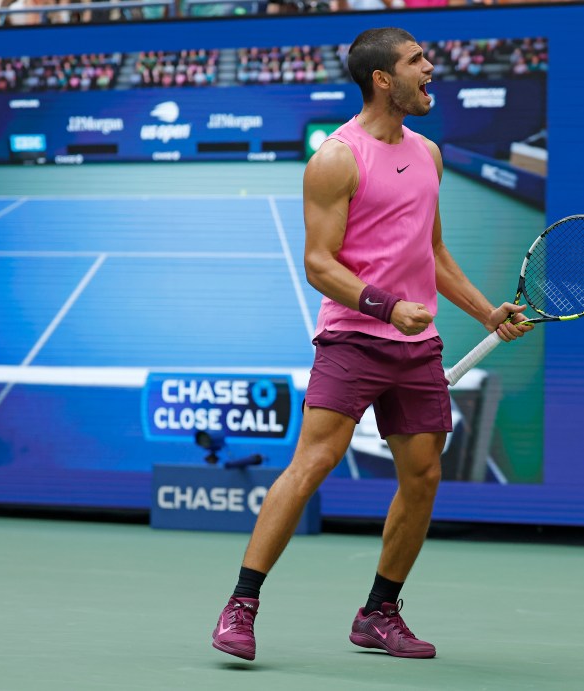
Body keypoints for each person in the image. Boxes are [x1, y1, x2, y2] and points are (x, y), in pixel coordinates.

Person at [210, 26, 533, 662]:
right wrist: (386, 306)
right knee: (313, 463)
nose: (431, 67)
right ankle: (241, 604)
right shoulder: (336, 158)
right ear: (383, 79)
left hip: (418, 345)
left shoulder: (429, 153)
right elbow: (319, 263)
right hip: (354, 338)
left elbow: (433, 251)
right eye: (417, 60)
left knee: (424, 476)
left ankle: (379, 613)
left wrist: (486, 313)